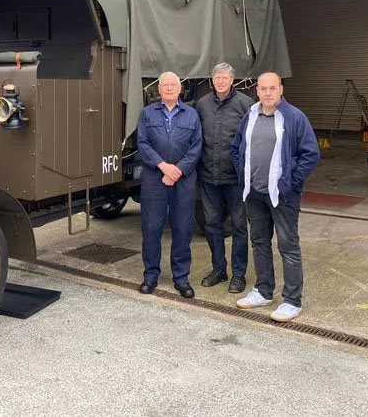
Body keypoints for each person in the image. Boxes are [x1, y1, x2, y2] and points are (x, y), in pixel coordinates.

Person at [231, 72, 320, 322]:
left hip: (282, 195)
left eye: (273, 88)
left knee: (288, 246)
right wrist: (243, 175)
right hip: (254, 193)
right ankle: (263, 291)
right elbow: (236, 148)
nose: (268, 93)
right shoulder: (250, 115)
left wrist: (289, 183)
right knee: (259, 242)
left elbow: (310, 154)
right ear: (256, 91)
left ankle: (292, 300)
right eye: (263, 88)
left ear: (281, 89)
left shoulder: (294, 117)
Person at [137, 72, 202, 298]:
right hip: (154, 179)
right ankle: (150, 275)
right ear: (159, 89)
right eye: (164, 85)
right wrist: (163, 166)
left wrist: (177, 171)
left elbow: (196, 148)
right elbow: (143, 144)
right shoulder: (147, 114)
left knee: (182, 229)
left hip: (183, 180)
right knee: (151, 228)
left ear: (180, 88)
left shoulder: (192, 115)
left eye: (173, 85)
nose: (168, 88)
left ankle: (181, 277)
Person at [196, 63, 253, 293]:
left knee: (239, 226)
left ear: (232, 80)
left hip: (235, 178)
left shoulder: (245, 104)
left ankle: (239, 275)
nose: (220, 81)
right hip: (208, 176)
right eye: (217, 77)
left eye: (225, 78)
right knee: (211, 224)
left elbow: (251, 139)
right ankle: (219, 269)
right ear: (212, 80)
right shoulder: (202, 105)